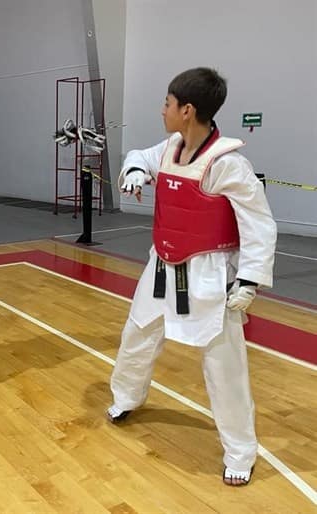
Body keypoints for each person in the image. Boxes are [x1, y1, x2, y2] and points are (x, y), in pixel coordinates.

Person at [107, 68, 277, 486]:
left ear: (187, 110)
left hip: (208, 274)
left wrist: (249, 281)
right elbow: (138, 156)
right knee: (137, 337)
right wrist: (133, 172)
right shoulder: (170, 147)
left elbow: (259, 224)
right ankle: (125, 398)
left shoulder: (229, 165)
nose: (161, 110)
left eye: (167, 103)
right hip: (161, 267)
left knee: (224, 367)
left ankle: (240, 451)